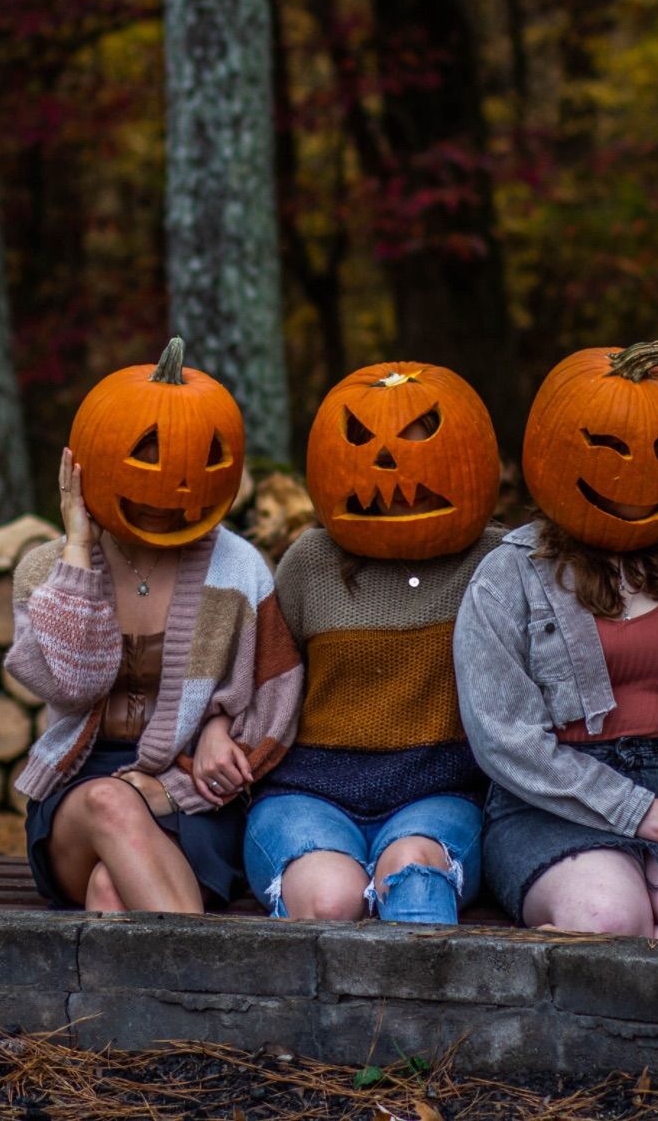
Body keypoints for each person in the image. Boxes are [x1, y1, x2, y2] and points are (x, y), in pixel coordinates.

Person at [454, 342, 658, 940]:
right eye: (611, 451)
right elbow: (502, 739)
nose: (637, 474)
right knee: (609, 921)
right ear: (551, 451)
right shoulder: (508, 576)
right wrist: (632, 809)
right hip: (552, 799)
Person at [8, 339, 302, 913]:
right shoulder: (44, 573)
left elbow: (275, 704)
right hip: (77, 795)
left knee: (109, 892)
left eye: (193, 465)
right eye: (146, 460)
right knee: (108, 803)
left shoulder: (238, 569)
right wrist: (77, 550)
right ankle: (211, 984)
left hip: (192, 800)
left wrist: (180, 780)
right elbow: (72, 687)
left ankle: (179, 991)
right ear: (85, 463)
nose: (168, 490)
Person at [244, 360, 503, 924]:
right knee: (329, 898)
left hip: (440, 798)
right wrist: (220, 732)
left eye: (424, 443)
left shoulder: (499, 563)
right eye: (361, 442)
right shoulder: (310, 563)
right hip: (307, 795)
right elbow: (255, 680)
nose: (392, 466)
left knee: (415, 875)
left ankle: (423, 1013)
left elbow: (588, 547)